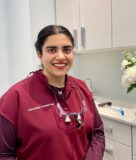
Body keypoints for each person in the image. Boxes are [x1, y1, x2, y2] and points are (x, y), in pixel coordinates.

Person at [0, 25, 105, 160]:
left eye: (67, 49)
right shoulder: (15, 97)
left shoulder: (81, 87)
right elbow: (3, 154)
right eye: (52, 50)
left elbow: (97, 133)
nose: (61, 56)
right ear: (39, 54)